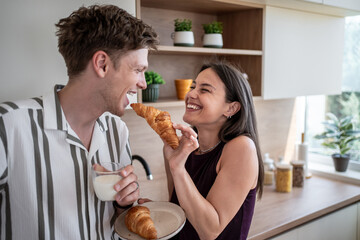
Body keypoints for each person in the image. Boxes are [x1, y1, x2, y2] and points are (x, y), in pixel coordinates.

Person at [0, 5, 158, 240]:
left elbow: (117, 225)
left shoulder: (118, 131)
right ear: (102, 64)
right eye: (138, 70)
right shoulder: (8, 126)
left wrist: (123, 207)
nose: (143, 83)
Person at [164, 61, 264, 240]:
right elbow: (180, 210)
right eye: (193, 86)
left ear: (231, 108)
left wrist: (177, 168)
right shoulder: (187, 146)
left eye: (205, 90)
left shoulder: (241, 148)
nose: (190, 93)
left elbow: (209, 230)